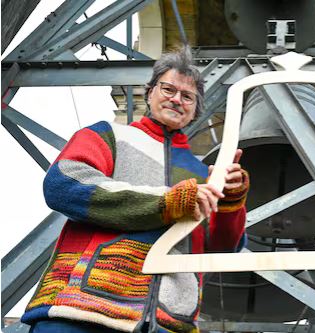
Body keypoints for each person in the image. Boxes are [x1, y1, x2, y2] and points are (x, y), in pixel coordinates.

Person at [21, 46, 249, 333]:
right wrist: (166, 202)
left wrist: (230, 202)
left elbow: (222, 247)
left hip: (167, 321)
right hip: (81, 309)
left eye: (188, 96)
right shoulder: (108, 135)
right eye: (168, 89)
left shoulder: (203, 175)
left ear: (195, 111)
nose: (177, 99)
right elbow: (62, 184)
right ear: (150, 92)